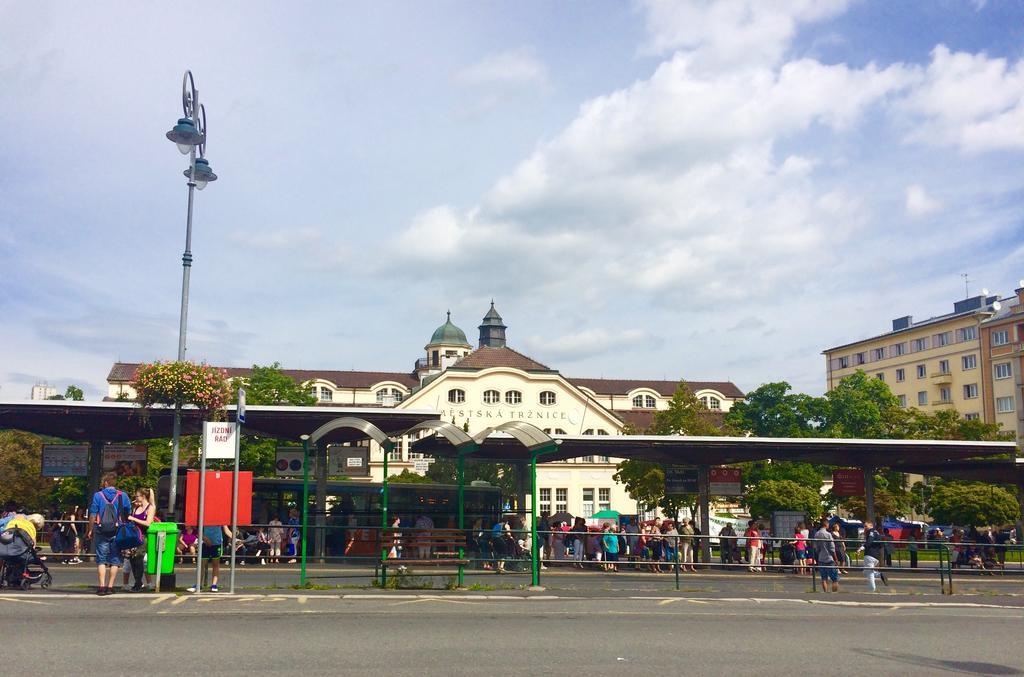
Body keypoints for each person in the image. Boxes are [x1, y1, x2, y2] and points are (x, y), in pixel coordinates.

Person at [89, 473, 132, 596]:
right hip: (117, 531)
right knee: (115, 559)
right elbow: (128, 512)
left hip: (101, 530)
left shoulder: (98, 495)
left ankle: (101, 586)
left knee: (101, 559)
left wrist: (90, 530)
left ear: (106, 483)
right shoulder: (122, 496)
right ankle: (110, 586)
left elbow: (93, 514)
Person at [123, 488, 156, 592]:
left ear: (143, 496)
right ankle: (138, 581)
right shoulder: (136, 507)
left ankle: (138, 583)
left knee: (139, 558)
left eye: (137, 496)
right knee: (132, 558)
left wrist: (134, 519)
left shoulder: (150, 508)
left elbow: (148, 523)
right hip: (134, 536)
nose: (135, 498)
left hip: (143, 536)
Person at [189, 524, 232, 592]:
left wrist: (235, 538)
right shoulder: (204, 516)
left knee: (215, 564)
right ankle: (198, 585)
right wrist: (203, 538)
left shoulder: (221, 517)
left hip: (217, 544)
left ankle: (214, 585)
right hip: (205, 543)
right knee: (201, 564)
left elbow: (226, 530)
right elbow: (195, 529)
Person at [858, 520, 888, 592]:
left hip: (870, 554)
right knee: (866, 571)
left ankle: (872, 589)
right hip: (876, 556)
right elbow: (881, 544)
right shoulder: (877, 533)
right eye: (864, 526)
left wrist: (862, 548)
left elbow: (870, 541)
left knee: (869, 573)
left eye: (866, 526)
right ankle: (879, 575)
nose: (864, 527)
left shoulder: (871, 531)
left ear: (871, 526)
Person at [813, 518, 839, 592]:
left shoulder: (816, 534)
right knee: (835, 578)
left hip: (821, 558)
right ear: (826, 524)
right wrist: (836, 558)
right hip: (829, 558)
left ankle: (825, 592)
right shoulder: (828, 534)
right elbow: (832, 548)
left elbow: (815, 547)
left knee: (824, 578)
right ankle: (834, 593)